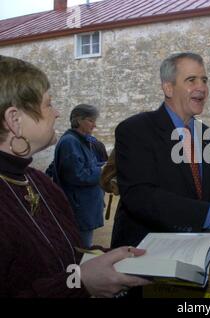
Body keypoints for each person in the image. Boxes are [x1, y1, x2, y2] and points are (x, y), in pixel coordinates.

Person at [0, 55, 149, 297]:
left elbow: (67, 254)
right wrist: (81, 282)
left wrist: (107, 256)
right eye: (48, 104)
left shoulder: (39, 182)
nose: (57, 113)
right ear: (14, 120)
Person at [111, 52, 210, 248]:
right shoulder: (135, 130)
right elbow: (141, 197)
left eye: (204, 80)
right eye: (191, 80)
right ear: (168, 88)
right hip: (145, 255)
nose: (202, 88)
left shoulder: (209, 136)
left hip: (199, 251)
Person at [53, 104, 104, 248]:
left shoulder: (80, 140)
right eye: (91, 121)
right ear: (79, 120)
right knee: (82, 249)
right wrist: (103, 170)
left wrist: (103, 165)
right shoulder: (70, 142)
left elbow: (87, 166)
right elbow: (78, 176)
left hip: (85, 206)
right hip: (80, 207)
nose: (94, 125)